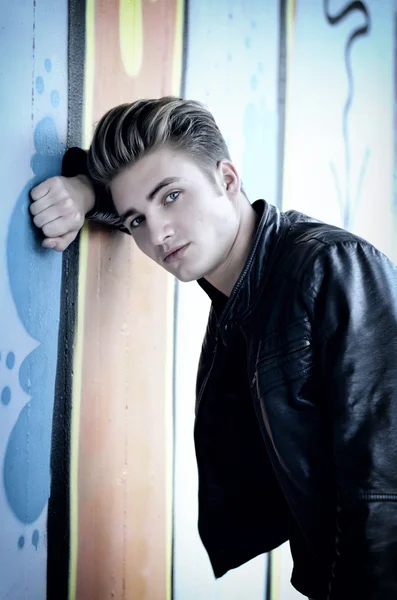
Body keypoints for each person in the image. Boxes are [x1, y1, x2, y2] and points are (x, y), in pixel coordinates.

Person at [30, 97, 397, 600]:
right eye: (136, 220)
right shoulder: (242, 289)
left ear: (227, 179)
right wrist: (85, 191)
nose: (157, 232)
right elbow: (140, 197)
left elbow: (383, 488)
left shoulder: (333, 267)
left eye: (172, 197)